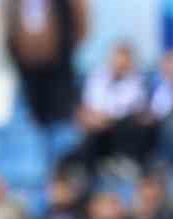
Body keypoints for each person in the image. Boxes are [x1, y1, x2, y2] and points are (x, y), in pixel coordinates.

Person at [65, 41, 152, 173]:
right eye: (117, 59)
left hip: (119, 131)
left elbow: (125, 111)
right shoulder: (96, 76)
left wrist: (101, 119)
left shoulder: (138, 82)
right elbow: (88, 104)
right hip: (95, 128)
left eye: (124, 62)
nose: (119, 64)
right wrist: (89, 117)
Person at [2, 0, 86, 127]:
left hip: (58, 61)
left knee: (61, 111)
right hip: (26, 60)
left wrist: (67, 45)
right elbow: (6, 20)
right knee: (32, 112)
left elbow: (80, 19)